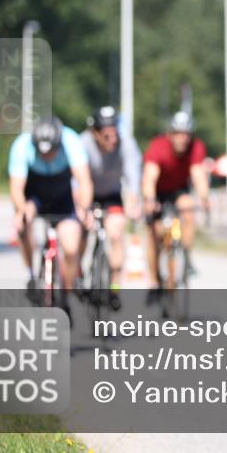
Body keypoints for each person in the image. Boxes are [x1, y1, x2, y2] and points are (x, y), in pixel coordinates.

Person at [9, 116, 93, 310]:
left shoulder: (71, 141)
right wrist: (22, 210)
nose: (47, 156)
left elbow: (85, 180)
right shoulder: (22, 145)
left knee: (71, 248)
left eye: (52, 152)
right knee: (22, 221)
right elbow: (16, 187)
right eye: (42, 152)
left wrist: (84, 208)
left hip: (63, 195)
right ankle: (32, 274)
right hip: (35, 195)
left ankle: (67, 291)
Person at [141, 110, 210, 298]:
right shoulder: (158, 146)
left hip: (178, 191)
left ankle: (185, 256)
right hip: (158, 193)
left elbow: (198, 174)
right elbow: (149, 177)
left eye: (186, 134)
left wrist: (204, 198)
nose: (183, 139)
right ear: (170, 134)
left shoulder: (196, 148)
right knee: (154, 234)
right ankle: (155, 281)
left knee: (188, 209)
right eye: (178, 134)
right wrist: (149, 200)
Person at [80, 106, 142, 309]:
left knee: (116, 233)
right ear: (95, 133)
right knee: (80, 232)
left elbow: (133, 175)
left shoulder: (126, 143)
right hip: (86, 194)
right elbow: (76, 180)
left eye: (115, 134)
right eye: (106, 136)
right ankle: (79, 275)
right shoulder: (83, 143)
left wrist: (133, 203)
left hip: (112, 195)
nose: (112, 140)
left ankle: (114, 287)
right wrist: (83, 209)